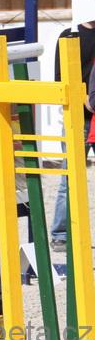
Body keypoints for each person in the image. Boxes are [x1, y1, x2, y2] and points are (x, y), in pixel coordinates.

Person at [49, 17, 95, 251]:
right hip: (78, 116)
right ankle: (60, 233)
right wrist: (85, 98)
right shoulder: (69, 35)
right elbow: (60, 80)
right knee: (69, 177)